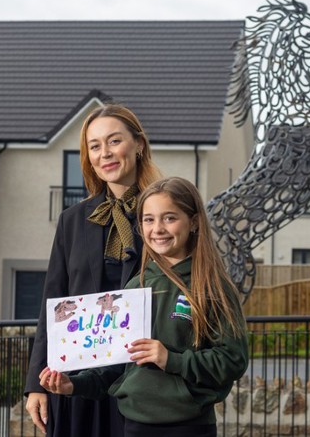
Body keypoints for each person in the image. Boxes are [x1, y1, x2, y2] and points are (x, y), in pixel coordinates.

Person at [39, 176, 249, 437]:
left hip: (190, 426)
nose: (157, 228)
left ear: (194, 222)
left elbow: (233, 360)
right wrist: (74, 384)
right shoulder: (134, 288)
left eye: (169, 218)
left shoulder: (212, 286)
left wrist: (171, 360)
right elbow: (116, 367)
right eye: (148, 219)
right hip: (134, 426)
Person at [24, 104, 162, 436]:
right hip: (77, 377)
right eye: (95, 146)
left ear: (139, 144)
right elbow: (52, 302)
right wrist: (35, 385)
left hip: (142, 376)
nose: (105, 154)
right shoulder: (71, 221)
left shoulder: (162, 217)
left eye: (114, 141)